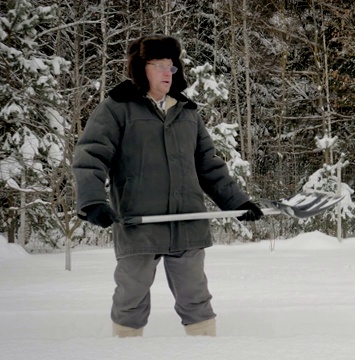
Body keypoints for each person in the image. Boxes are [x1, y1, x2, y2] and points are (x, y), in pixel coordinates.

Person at [72, 34, 263, 338]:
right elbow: (90, 155)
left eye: (171, 67)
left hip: (186, 221)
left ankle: (205, 350)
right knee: (130, 296)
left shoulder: (187, 111)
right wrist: (93, 202)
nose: (166, 73)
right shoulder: (117, 108)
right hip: (139, 222)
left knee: (196, 297)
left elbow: (208, 165)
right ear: (139, 68)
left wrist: (237, 202)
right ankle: (125, 351)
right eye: (158, 65)